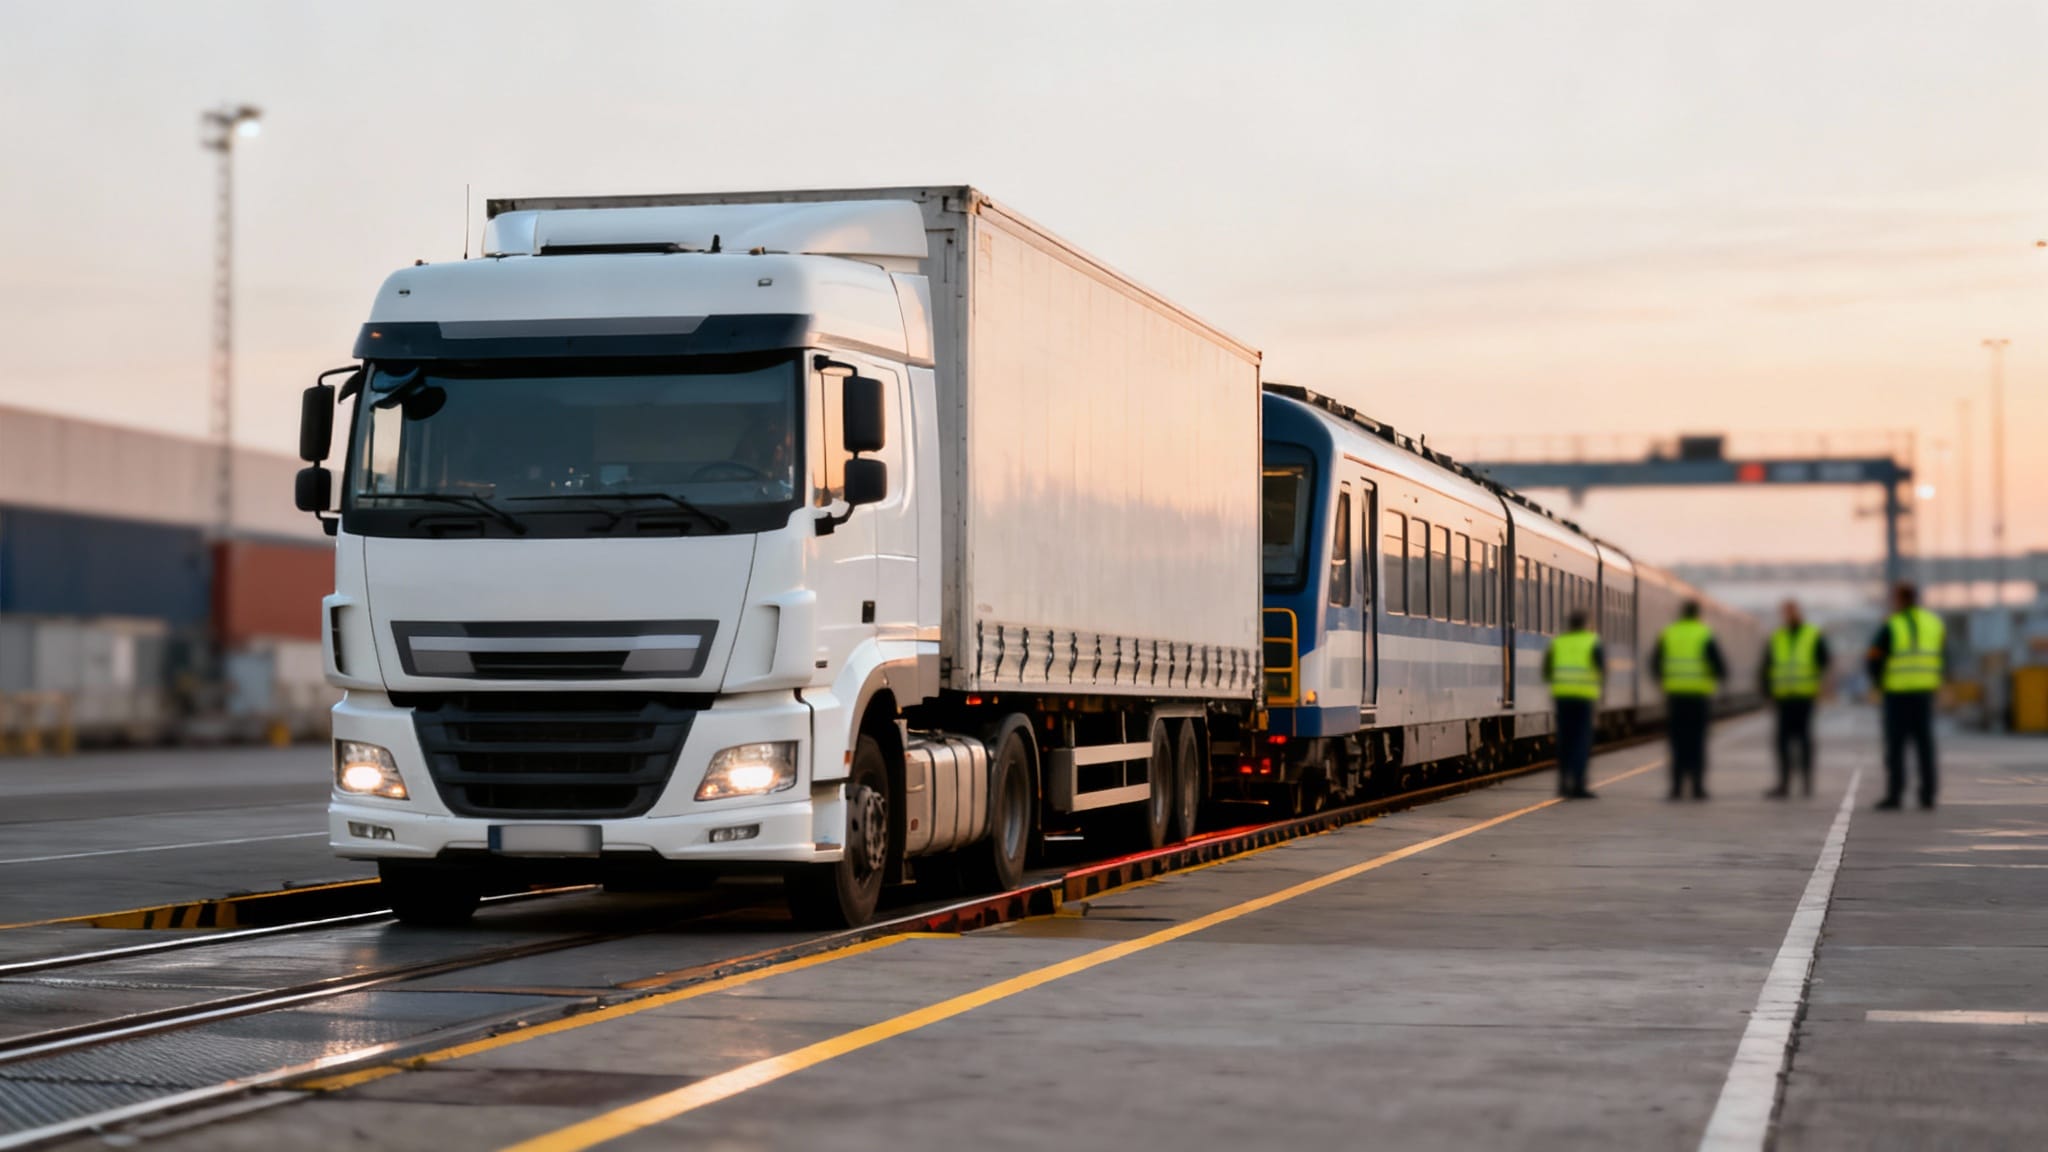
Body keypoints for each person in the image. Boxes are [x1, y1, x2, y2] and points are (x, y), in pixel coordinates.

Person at [1867, 582, 1944, 810]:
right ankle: (1928, 795)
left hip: (1896, 694)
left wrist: (1878, 682)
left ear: (1899, 599)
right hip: (1924, 693)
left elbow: (1874, 656)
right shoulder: (1934, 623)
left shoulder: (1891, 625)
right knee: (1925, 746)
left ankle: (1895, 795)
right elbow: (1943, 655)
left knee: (1895, 746)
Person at [1654, 600, 1726, 800]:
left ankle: (1676, 788)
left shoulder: (1669, 633)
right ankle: (1697, 787)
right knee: (1697, 742)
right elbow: (1719, 665)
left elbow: (1655, 662)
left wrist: (1663, 681)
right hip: (1698, 697)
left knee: (1677, 742)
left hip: (1675, 696)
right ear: (1697, 615)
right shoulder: (1704, 634)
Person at [1760, 600, 1832, 798]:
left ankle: (1806, 783)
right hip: (1783, 697)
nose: (1788, 615)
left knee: (1804, 740)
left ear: (1798, 612)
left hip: (1804, 696)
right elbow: (1767, 666)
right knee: (1782, 742)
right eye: (1785, 612)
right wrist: (1767, 693)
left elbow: (1824, 659)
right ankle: (1784, 783)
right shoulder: (1778, 637)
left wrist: (1820, 685)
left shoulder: (1812, 635)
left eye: (1790, 611)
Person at [1544, 610, 1604, 799]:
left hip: (1562, 698)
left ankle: (1563, 783)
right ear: (1585, 624)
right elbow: (1601, 668)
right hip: (1584, 698)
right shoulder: (1593, 642)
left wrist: (1556, 685)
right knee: (1581, 741)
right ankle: (1578, 785)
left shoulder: (1558, 643)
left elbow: (1547, 670)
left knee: (1564, 741)